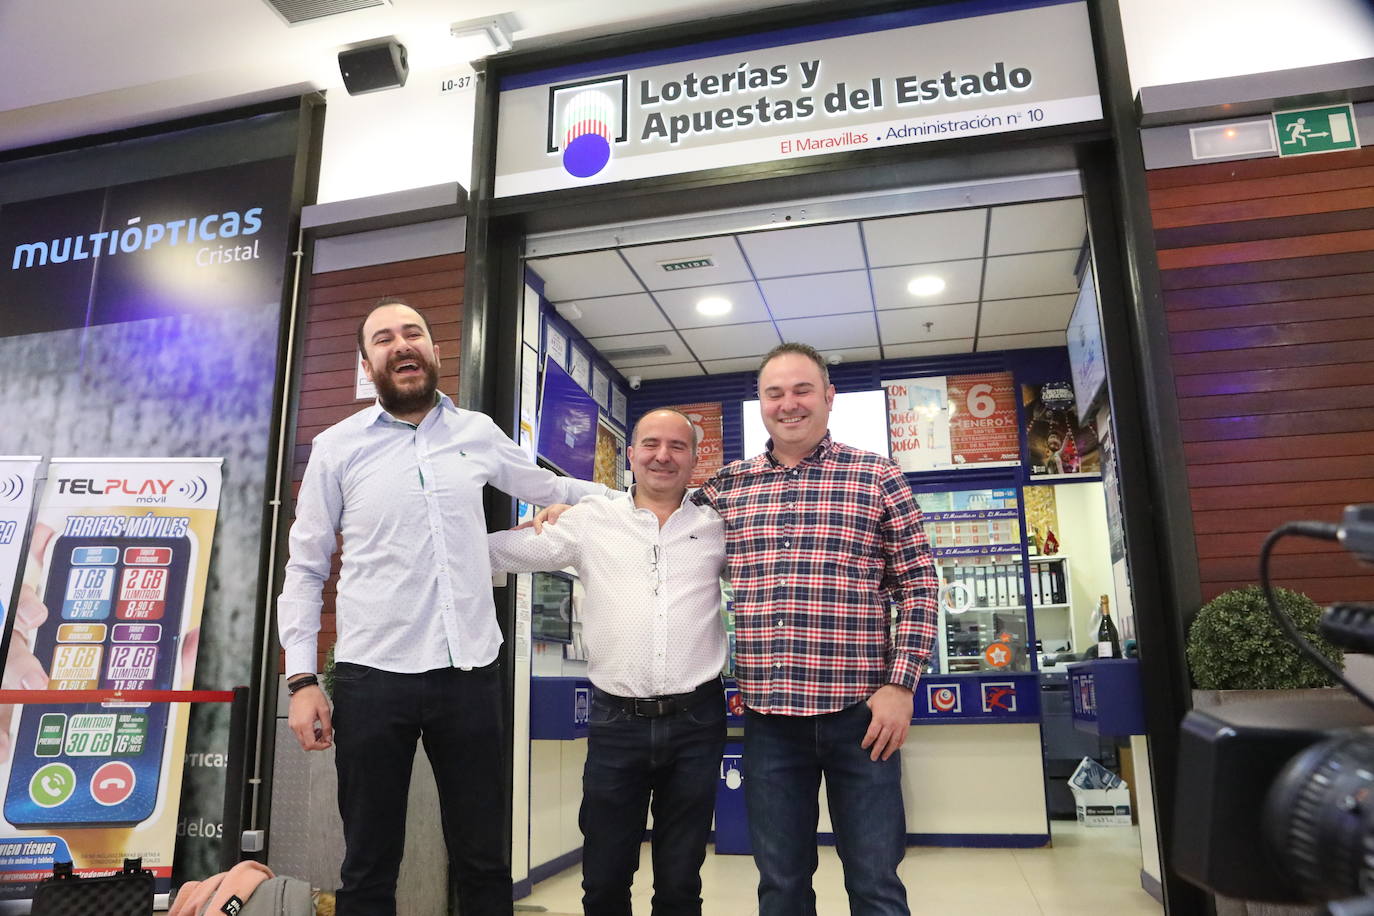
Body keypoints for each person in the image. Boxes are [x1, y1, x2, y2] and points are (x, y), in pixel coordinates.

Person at [276, 297, 609, 916]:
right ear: (367, 362)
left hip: (471, 675)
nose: (401, 345)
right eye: (384, 339)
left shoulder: (476, 433)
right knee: (369, 864)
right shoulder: (336, 447)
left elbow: (552, 487)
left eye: (414, 333)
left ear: (434, 350)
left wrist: (634, 502)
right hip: (372, 678)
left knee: (483, 859)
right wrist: (301, 679)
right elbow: (306, 566)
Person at [693, 342, 939, 916]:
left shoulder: (877, 476)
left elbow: (921, 586)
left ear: (829, 397)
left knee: (876, 883)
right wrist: (572, 504)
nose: (789, 404)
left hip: (863, 718)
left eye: (802, 389)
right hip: (770, 721)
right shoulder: (728, 487)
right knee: (781, 886)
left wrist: (901, 686)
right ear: (760, 402)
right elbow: (653, 516)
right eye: (774, 392)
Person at [488, 408, 727, 916]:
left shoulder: (717, 525)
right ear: (631, 455)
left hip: (698, 721)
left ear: (694, 459)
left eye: (677, 446)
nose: (663, 456)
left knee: (682, 881)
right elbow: (496, 554)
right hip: (617, 723)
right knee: (603, 879)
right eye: (651, 444)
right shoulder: (591, 521)